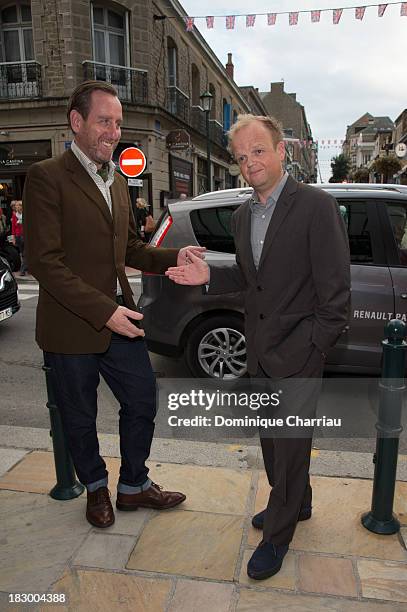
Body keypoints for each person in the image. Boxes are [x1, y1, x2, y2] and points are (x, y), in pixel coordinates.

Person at [166, 114, 350, 580]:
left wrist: (315, 349)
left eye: (259, 151)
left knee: (288, 448)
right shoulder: (242, 214)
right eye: (243, 157)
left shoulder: (315, 206)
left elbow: (336, 295)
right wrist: (211, 275)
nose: (251, 163)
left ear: (281, 151)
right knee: (273, 442)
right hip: (261, 349)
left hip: (300, 354)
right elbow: (255, 281)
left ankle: (278, 537)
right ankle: (298, 501)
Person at [23, 80, 205, 529]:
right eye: (105, 121)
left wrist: (171, 259)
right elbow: (44, 263)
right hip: (71, 327)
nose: (113, 131)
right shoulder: (47, 176)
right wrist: (104, 311)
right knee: (80, 417)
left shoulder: (118, 180)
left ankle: (133, 486)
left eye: (118, 123)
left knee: (142, 400)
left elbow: (130, 249)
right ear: (77, 121)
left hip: (119, 321)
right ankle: (96, 488)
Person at [11, 200, 27, 275]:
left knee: (25, 252)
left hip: (25, 236)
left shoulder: (26, 215)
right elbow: (13, 227)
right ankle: (24, 268)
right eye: (16, 205)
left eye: (18, 205)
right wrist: (13, 238)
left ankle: (23, 270)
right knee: (22, 253)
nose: (16, 207)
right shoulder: (15, 215)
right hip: (18, 236)